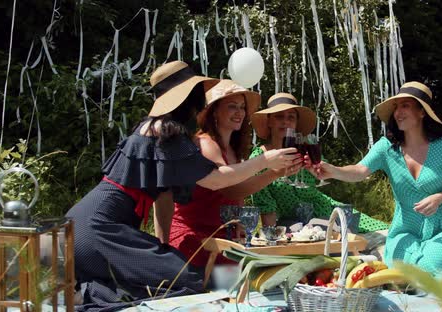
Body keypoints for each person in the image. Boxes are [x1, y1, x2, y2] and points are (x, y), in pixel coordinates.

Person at [65, 62, 298, 309]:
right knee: (187, 280)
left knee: (177, 275)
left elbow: (163, 197)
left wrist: (161, 244)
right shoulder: (167, 133)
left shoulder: (155, 129)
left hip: (83, 227)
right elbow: (217, 180)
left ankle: (88, 293)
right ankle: (89, 295)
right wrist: (264, 160)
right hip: (99, 228)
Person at [317, 82, 442, 282]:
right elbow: (359, 171)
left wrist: (440, 197)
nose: (398, 112)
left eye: (405, 105)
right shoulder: (387, 147)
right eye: (396, 107)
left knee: (429, 267)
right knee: (410, 271)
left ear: (422, 112)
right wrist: (333, 171)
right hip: (405, 230)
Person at [170, 81, 303, 268]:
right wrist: (266, 162)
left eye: (242, 107)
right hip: (196, 239)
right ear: (214, 111)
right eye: (232, 106)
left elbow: (238, 191)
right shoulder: (205, 143)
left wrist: (277, 173)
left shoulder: (233, 149)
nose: (239, 112)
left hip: (223, 236)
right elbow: (227, 188)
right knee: (257, 274)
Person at [249, 92, 389, 233]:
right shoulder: (260, 157)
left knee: (381, 231)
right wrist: (272, 238)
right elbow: (265, 205)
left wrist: (318, 169)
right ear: (269, 121)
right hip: (296, 226)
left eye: (291, 117)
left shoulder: (304, 148)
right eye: (279, 116)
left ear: (296, 123)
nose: (285, 121)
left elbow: (323, 172)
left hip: (326, 211)